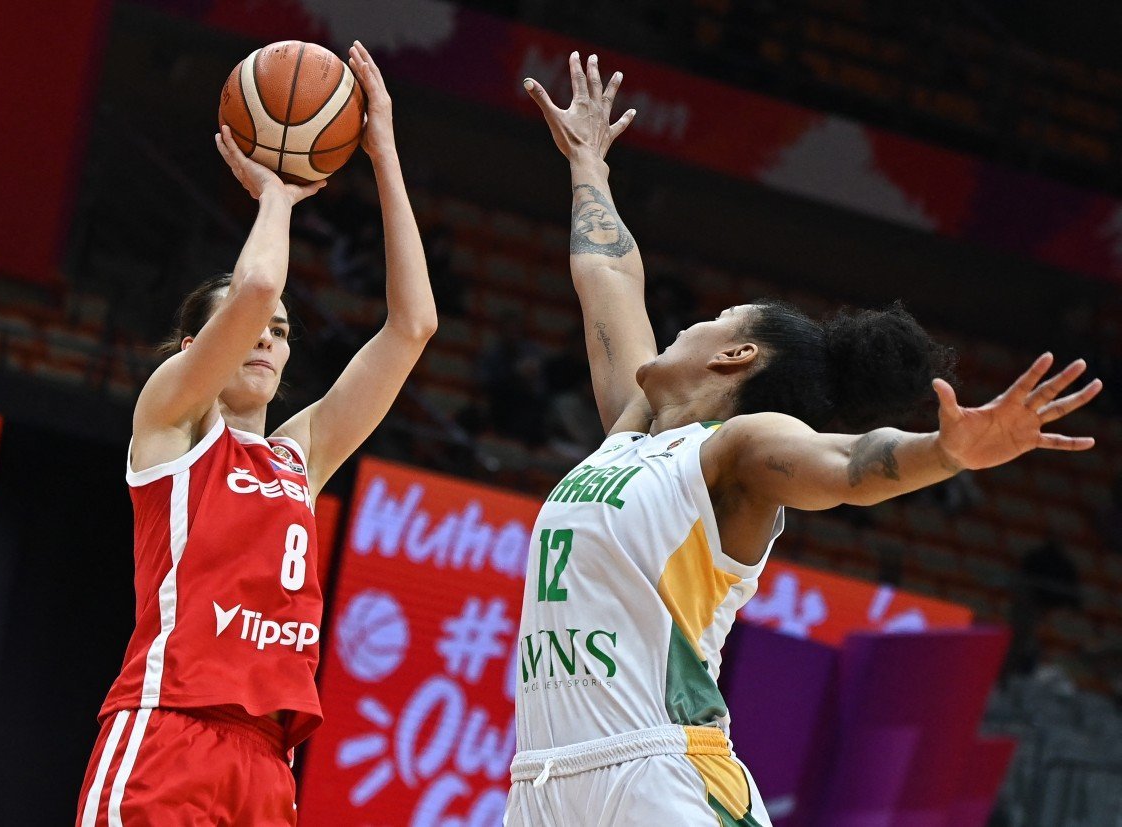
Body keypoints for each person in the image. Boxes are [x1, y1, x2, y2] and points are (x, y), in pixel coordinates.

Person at [505, 52, 1102, 826]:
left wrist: (945, 451)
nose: (692, 320)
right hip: (544, 782)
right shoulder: (633, 430)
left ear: (736, 354)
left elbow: (847, 465)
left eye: (712, 318)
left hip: (659, 777)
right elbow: (609, 283)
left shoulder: (737, 447)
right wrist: (588, 165)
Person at [76, 42, 436, 826]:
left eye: (279, 333)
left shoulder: (295, 457)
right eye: (248, 331)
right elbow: (261, 281)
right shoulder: (170, 421)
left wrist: (383, 154)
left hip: (269, 761)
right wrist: (277, 196)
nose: (268, 338)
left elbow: (413, 326)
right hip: (170, 727)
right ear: (193, 349)